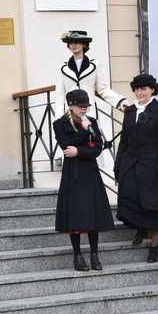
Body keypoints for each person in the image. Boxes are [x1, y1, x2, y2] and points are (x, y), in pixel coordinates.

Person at [54, 89, 115, 271]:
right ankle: (77, 255)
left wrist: (79, 150)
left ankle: (94, 254)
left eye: (86, 107)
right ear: (71, 106)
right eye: (80, 107)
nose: (84, 110)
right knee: (75, 215)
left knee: (92, 214)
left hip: (90, 171)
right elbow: (67, 147)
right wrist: (85, 130)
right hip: (73, 173)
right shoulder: (60, 124)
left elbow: (97, 147)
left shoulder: (92, 121)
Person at [114, 74, 158, 262]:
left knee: (154, 206)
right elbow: (124, 139)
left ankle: (154, 247)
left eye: (144, 89)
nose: (140, 92)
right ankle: (139, 229)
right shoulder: (130, 111)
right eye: (137, 89)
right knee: (131, 198)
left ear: (152, 90)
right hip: (131, 164)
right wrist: (118, 165)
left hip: (153, 166)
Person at [55, 31, 128, 120]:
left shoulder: (95, 65)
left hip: (89, 113)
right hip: (70, 115)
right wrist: (58, 120)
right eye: (70, 43)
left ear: (84, 44)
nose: (73, 45)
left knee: (92, 133)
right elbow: (59, 96)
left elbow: (103, 89)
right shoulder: (62, 68)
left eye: (77, 42)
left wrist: (120, 102)